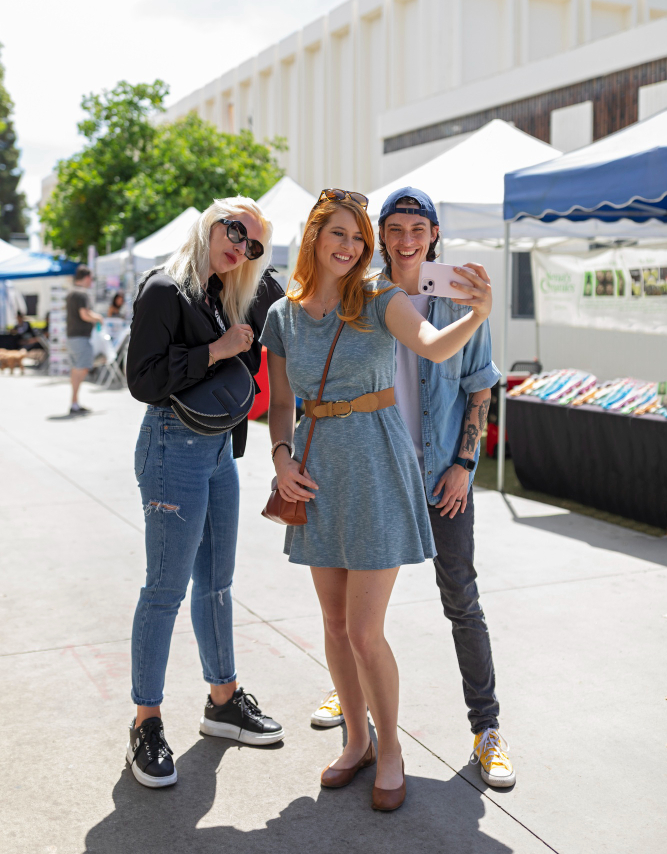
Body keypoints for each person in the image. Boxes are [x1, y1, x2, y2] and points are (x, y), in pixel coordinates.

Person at [261, 190, 492, 811]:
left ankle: (391, 748)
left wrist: (477, 315)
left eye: (358, 238)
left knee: (366, 631)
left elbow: (437, 347)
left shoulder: (379, 299)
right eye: (340, 234)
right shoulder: (282, 316)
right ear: (314, 237)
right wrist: (281, 459)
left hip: (379, 463)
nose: (350, 246)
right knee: (334, 627)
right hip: (314, 469)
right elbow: (280, 403)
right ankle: (356, 740)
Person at [125, 197, 285, 789]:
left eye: (253, 244)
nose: (240, 246)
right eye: (235, 230)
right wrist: (216, 350)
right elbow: (141, 378)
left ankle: (222, 700)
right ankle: (146, 721)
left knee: (217, 583)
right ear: (211, 221)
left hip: (219, 450)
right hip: (171, 444)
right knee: (165, 589)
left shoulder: (230, 291)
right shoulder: (166, 288)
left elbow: (299, 301)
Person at [377, 187, 514, 788]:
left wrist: (464, 463)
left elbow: (480, 387)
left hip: (441, 478)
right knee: (361, 608)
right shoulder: (364, 297)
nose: (408, 239)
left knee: (461, 599)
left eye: (418, 228)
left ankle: (487, 729)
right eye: (396, 228)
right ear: (381, 234)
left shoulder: (462, 298)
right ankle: (352, 702)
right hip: (380, 473)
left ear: (433, 234)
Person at [66, 265, 103, 415]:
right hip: (80, 337)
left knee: (76, 369)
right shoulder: (81, 294)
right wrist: (99, 318)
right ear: (87, 277)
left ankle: (74, 402)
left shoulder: (72, 292)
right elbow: (84, 314)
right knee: (83, 367)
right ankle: (74, 402)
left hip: (72, 336)